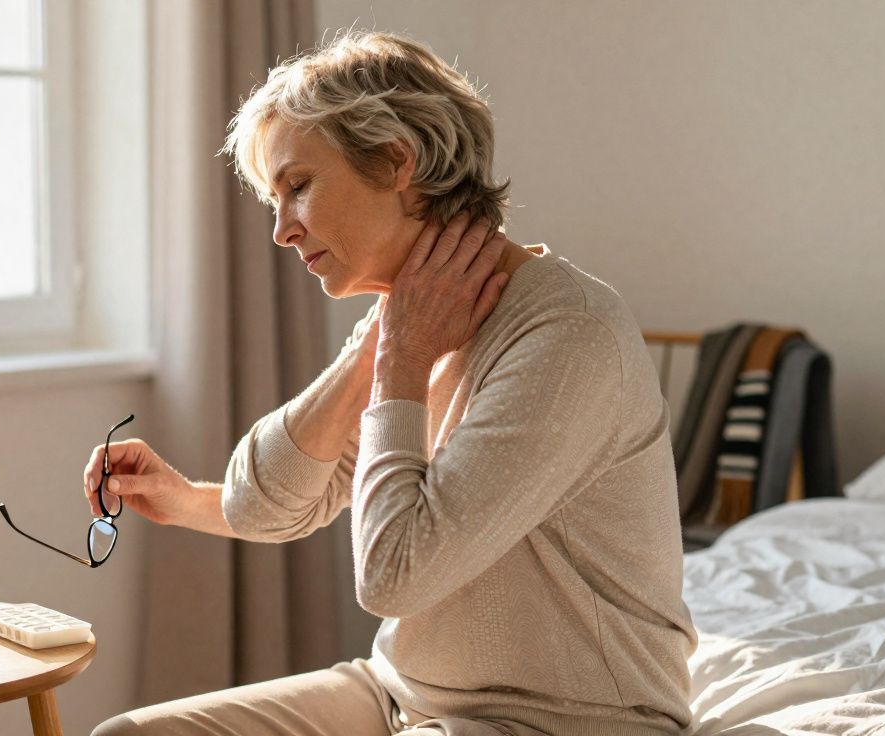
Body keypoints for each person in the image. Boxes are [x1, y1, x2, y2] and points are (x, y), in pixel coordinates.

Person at [88, 30, 696, 736]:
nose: (281, 230)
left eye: (298, 187)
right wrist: (189, 499)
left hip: (569, 721)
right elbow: (268, 507)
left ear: (395, 161)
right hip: (401, 696)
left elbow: (392, 575)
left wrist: (401, 358)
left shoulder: (568, 334)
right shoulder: (410, 317)